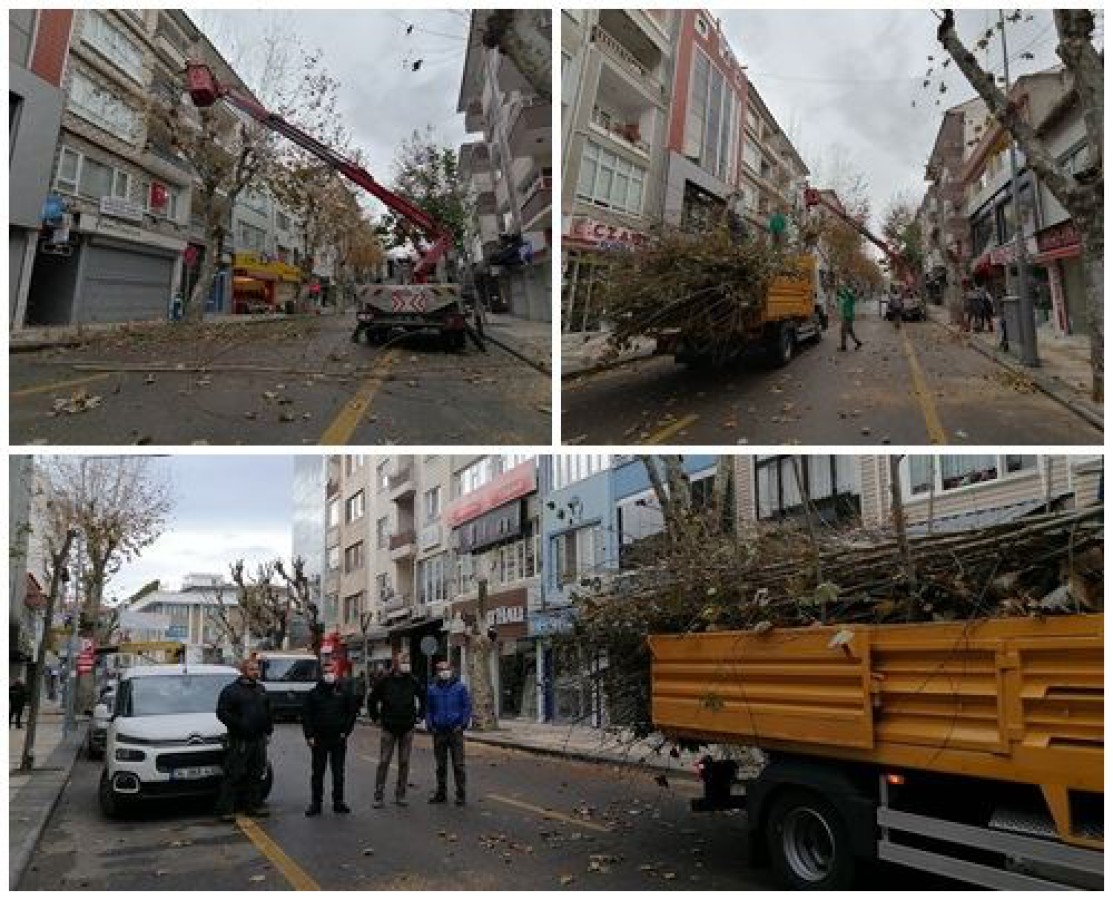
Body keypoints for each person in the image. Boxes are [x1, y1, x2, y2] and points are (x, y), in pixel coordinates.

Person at [215, 657, 273, 822]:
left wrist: (268, 730)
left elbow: (268, 711)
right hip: (240, 740)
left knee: (256, 774)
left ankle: (253, 806)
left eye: (257, 669)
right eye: (252, 669)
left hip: (258, 739)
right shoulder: (231, 691)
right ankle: (226, 809)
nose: (256, 672)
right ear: (243, 671)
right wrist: (239, 726)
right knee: (233, 774)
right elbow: (222, 712)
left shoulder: (261, 689)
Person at [302, 659, 359, 817]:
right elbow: (306, 715)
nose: (329, 674)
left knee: (338, 773)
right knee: (318, 773)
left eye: (331, 671)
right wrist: (309, 735)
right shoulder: (313, 693)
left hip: (338, 738)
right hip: (319, 739)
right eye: (326, 672)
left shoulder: (344, 692)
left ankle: (338, 802)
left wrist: (345, 732)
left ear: (337, 672)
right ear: (322, 673)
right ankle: (316, 803)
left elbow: (351, 713)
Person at [368, 652, 424, 808]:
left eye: (408, 661)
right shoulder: (385, 680)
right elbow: (372, 699)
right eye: (403, 661)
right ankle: (378, 796)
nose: (406, 664)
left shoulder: (413, 681)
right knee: (384, 761)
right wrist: (376, 717)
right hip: (389, 727)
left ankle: (401, 794)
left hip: (407, 727)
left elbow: (423, 697)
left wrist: (420, 715)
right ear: (396, 664)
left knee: (404, 762)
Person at [425, 660, 472, 806]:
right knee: (440, 765)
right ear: (437, 672)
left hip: (455, 731)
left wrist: (463, 724)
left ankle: (461, 794)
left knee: (458, 764)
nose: (444, 672)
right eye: (441, 670)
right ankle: (441, 793)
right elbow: (428, 709)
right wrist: (430, 724)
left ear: (451, 670)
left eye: (447, 669)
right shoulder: (432, 689)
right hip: (439, 731)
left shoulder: (460, 688)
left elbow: (467, 707)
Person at [836, 283, 863, 351]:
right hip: (847, 316)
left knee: (843, 331)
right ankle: (858, 342)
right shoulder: (847, 297)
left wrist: (844, 287)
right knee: (850, 331)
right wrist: (838, 291)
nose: (850, 290)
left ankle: (843, 346)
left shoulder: (852, 297)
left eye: (852, 290)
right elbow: (842, 295)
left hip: (848, 317)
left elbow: (847, 292)